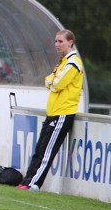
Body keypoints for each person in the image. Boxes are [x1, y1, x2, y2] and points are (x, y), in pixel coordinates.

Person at [18, 30, 84, 191]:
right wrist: (51, 80)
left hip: (63, 112)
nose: (57, 44)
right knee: (39, 149)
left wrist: (51, 80)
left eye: (60, 41)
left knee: (46, 152)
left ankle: (34, 184)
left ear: (70, 42)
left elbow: (56, 84)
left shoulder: (73, 63)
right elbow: (49, 80)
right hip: (53, 112)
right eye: (55, 41)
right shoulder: (63, 61)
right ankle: (26, 181)